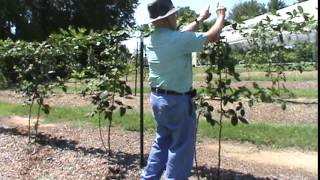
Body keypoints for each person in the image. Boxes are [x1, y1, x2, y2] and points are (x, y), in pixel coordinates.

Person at [141, 0, 226, 179]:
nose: (176, 16)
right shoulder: (177, 40)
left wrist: (200, 19)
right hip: (177, 102)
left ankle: (149, 177)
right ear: (166, 19)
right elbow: (212, 35)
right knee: (181, 148)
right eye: (174, 14)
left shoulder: (151, 38)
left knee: (162, 140)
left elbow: (180, 35)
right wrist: (221, 16)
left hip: (158, 100)